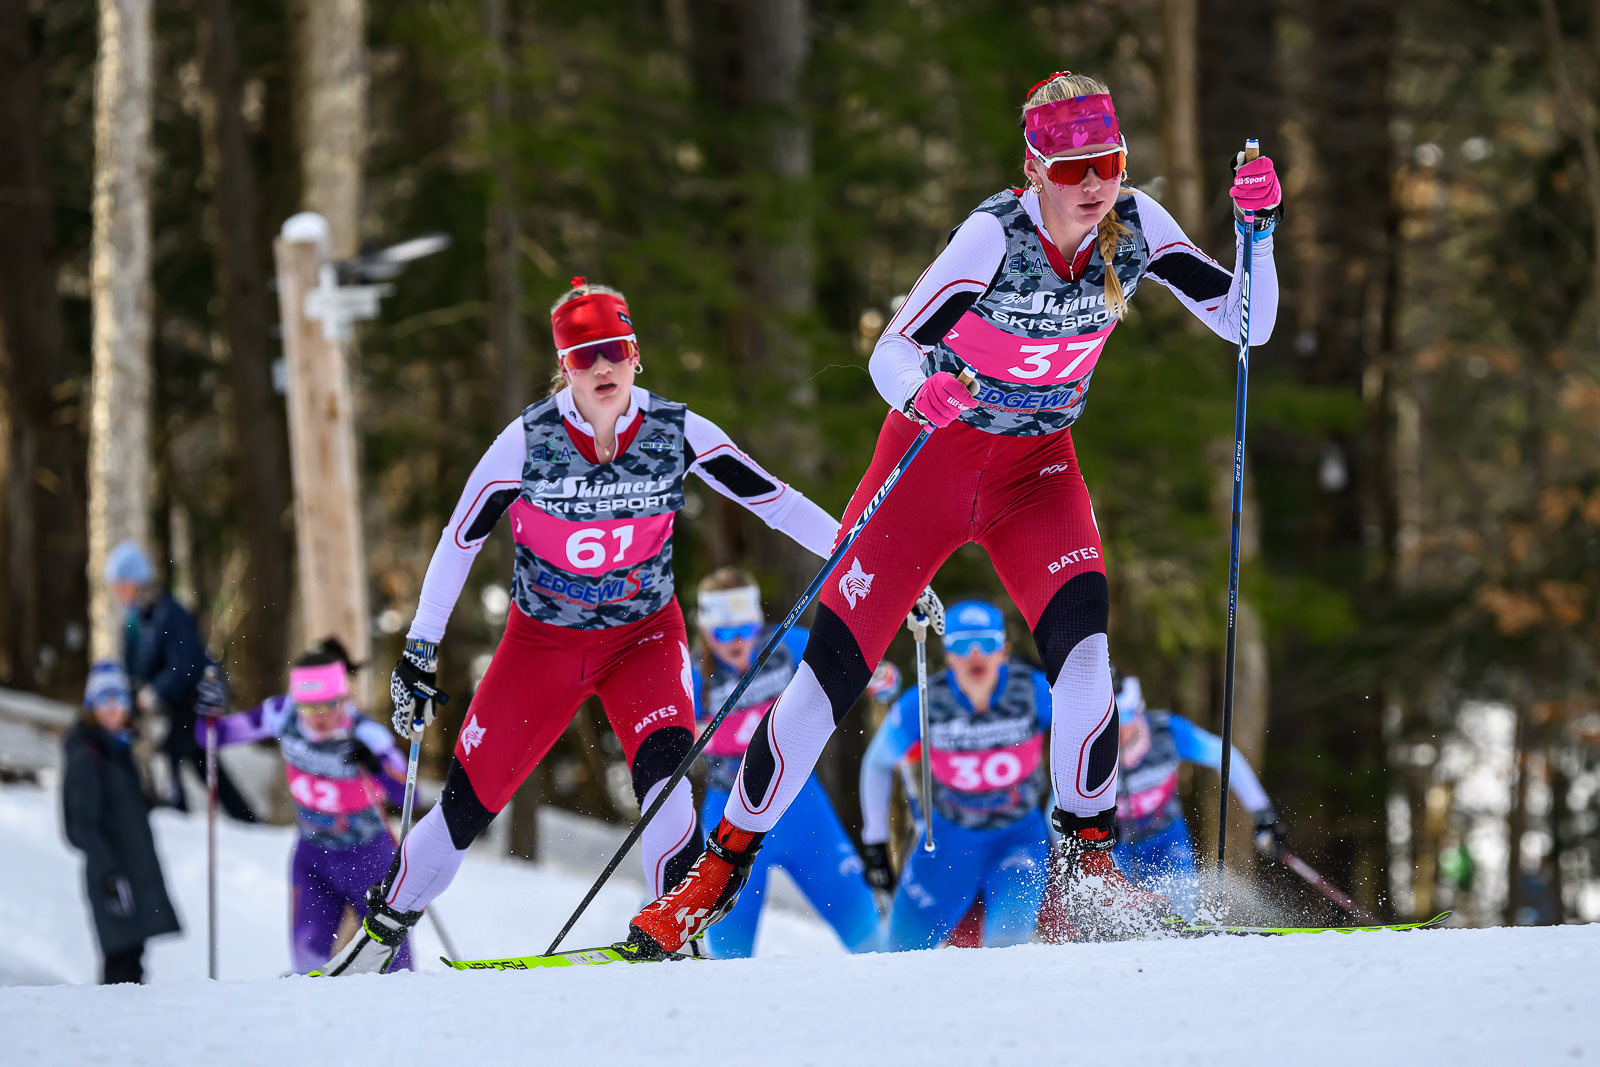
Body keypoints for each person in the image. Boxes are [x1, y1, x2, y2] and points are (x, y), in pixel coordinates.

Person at [627, 70, 1280, 955]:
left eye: (1111, 162)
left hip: (1038, 473)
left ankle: (1090, 868)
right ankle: (712, 876)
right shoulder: (990, 236)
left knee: (1085, 651)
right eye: (1073, 166)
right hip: (928, 466)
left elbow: (1249, 325)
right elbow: (890, 351)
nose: (1094, 185)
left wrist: (1258, 235)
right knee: (826, 678)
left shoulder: (1139, 228)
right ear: (1034, 168)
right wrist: (923, 389)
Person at [322, 278, 842, 974]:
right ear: (563, 366)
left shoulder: (677, 430)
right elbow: (459, 539)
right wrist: (420, 649)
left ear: (636, 356)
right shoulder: (525, 442)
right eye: (583, 355)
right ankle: (377, 939)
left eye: (615, 350)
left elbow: (773, 501)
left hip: (643, 638)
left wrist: (866, 549)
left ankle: (675, 930)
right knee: (463, 810)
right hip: (543, 645)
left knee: (669, 783)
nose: (602, 368)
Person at [690, 568, 879, 958]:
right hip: (728, 816)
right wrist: (747, 727)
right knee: (729, 955)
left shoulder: (788, 645)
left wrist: (880, 679)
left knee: (866, 931)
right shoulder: (694, 674)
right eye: (724, 634)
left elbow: (845, 665)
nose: (737, 642)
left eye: (744, 629)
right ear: (706, 631)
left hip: (800, 807)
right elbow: (683, 737)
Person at [197, 647, 414, 972]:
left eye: (328, 704)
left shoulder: (366, 733)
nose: (319, 715)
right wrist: (208, 710)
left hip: (369, 859)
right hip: (314, 860)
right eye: (308, 706)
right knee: (306, 965)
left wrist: (376, 764)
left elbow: (409, 792)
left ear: (344, 697)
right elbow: (211, 737)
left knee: (394, 965)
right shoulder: (282, 714)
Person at [859, 601, 1052, 950]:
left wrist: (1069, 811)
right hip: (947, 842)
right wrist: (874, 842)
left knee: (1007, 951)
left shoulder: (1035, 691)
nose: (974, 655)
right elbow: (877, 762)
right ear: (947, 654)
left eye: (987, 644)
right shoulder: (925, 699)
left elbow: (1091, 735)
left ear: (1004, 650)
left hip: (1019, 840)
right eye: (962, 645)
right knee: (899, 954)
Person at [1111, 672, 1284, 919]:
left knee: (1179, 915)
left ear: (1139, 711)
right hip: (1117, 848)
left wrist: (1262, 812)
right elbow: (1060, 804)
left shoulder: (1167, 732)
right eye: (1113, 720)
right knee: (1123, 923)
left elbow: (1225, 756)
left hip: (1167, 841)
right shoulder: (1091, 749)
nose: (1121, 728)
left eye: (1127, 716)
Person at [105, 540, 257, 822]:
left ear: (135, 582)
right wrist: (129, 697)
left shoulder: (170, 612)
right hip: (171, 705)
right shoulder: (133, 619)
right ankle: (248, 822)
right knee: (205, 767)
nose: (116, 591)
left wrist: (155, 692)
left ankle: (176, 818)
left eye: (120, 584)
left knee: (167, 755)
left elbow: (186, 664)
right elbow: (130, 667)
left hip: (196, 699)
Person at [61, 662, 182, 983]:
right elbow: (83, 822)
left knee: (136, 957)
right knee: (121, 960)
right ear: (91, 706)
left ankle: (132, 1025)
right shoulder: (87, 753)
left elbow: (129, 805)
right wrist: (109, 874)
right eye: (104, 700)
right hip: (113, 872)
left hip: (133, 865)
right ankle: (114, 1025)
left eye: (119, 700)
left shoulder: (121, 747)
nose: (114, 709)